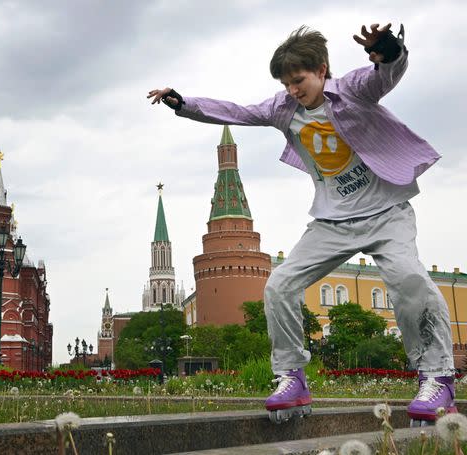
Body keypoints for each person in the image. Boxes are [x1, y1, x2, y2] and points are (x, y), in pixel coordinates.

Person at [148, 23, 455, 424]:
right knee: (279, 284)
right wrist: (183, 103)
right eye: (286, 83)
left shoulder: (352, 91)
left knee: (411, 280)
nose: (293, 90)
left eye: (299, 81)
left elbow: (387, 74)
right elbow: (238, 113)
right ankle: (291, 375)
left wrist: (388, 49)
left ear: (322, 71)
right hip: (333, 220)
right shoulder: (282, 109)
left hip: (387, 212)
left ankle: (437, 377)